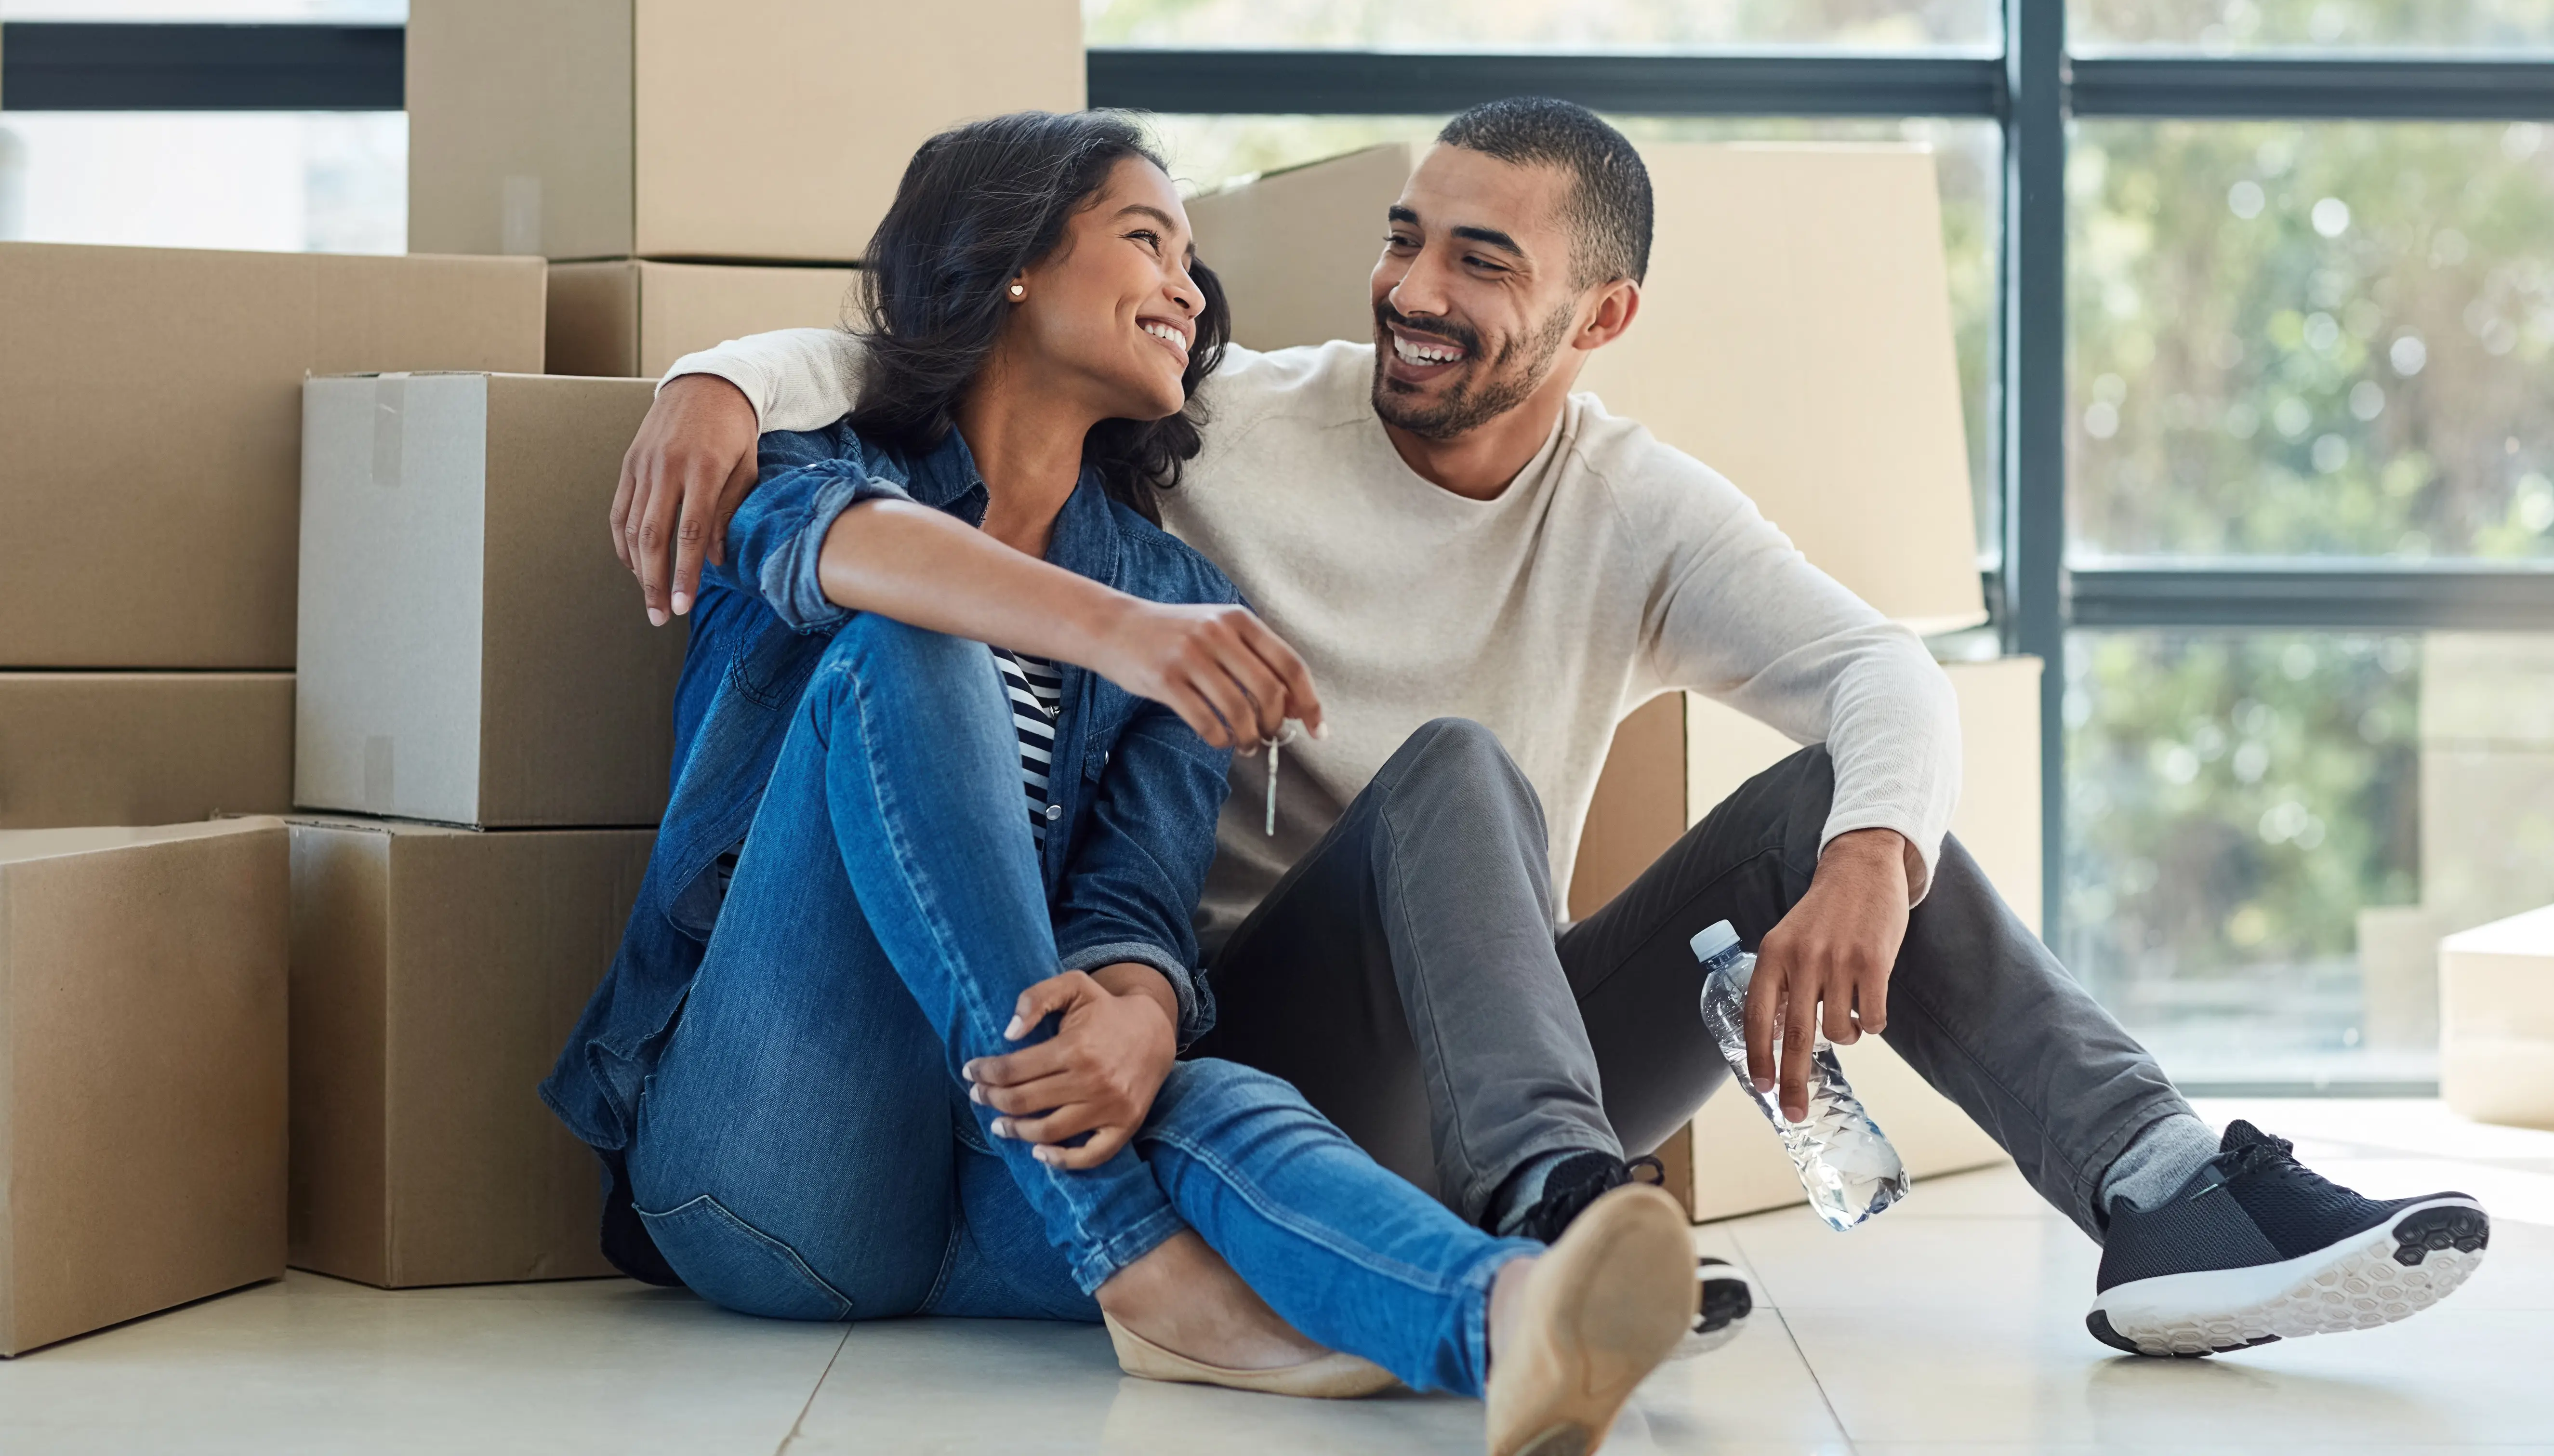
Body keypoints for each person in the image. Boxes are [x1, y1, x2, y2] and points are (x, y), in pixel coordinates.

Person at [610, 98, 2491, 1360]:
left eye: (1481, 266)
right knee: (1455, 776)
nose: (1414, 293)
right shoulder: (1231, 422)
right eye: (1407, 241)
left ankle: (2156, 1192)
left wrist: (1864, 858)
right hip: (1237, 1041)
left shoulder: (1634, 507)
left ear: (1602, 313)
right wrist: (714, 376)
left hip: (1486, 1049)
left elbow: (1879, 673)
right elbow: (931, 371)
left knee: (1838, 799)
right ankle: (1563, 1216)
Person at [545, 109, 1702, 1454]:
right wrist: (1118, 636)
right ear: (1015, 261)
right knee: (910, 646)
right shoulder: (821, 464)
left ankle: (1507, 1317)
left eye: (1192, 258)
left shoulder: (1173, 592)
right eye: (1147, 238)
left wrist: (1145, 1011)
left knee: (1212, 1090)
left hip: (992, 1191)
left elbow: (1136, 893)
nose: (1187, 287)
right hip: (771, 1170)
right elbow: (842, 557)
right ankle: (1133, 1262)